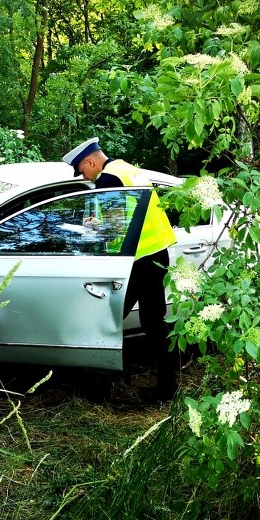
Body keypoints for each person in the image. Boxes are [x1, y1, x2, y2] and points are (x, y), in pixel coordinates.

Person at [62, 137, 178, 402]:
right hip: (156, 253)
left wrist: (89, 230)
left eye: (82, 171)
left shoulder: (108, 180)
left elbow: (114, 228)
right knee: (154, 323)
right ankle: (167, 389)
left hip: (138, 261)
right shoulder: (127, 169)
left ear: (90, 161)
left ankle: (98, 390)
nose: (86, 177)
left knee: (103, 320)